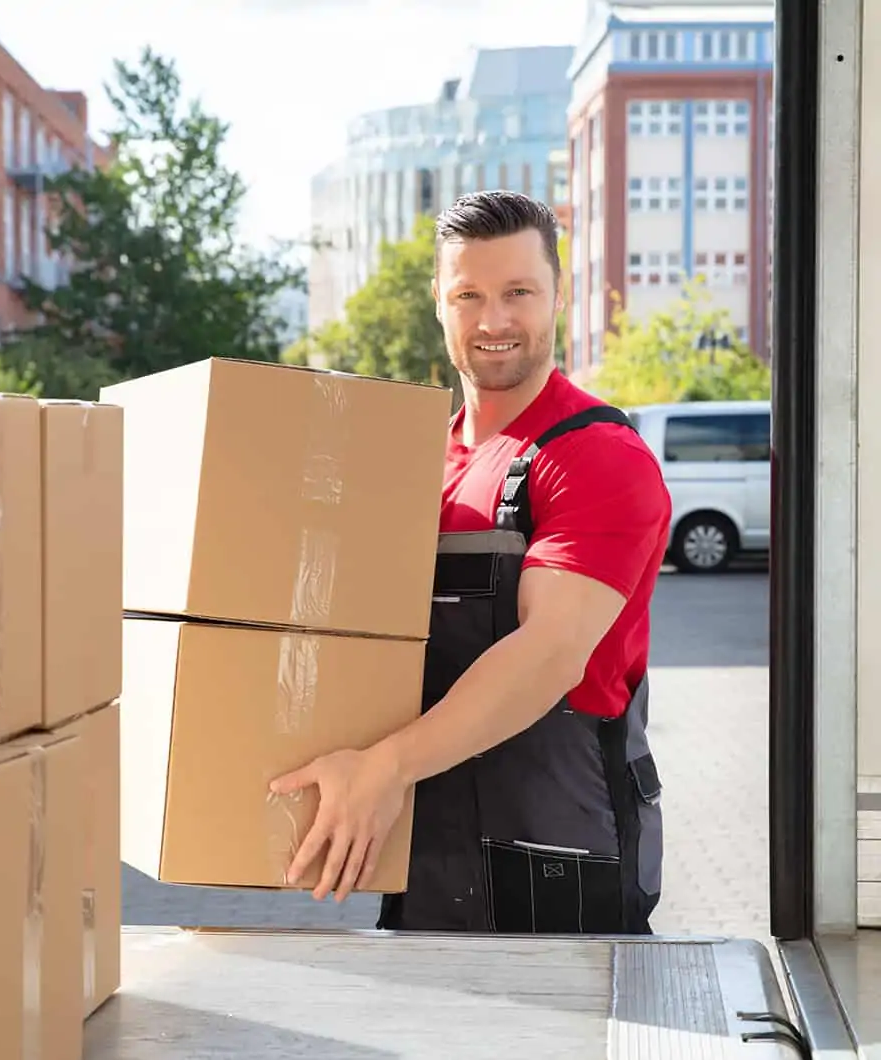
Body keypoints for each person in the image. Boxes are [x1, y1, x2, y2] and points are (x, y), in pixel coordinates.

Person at [269, 190, 672, 935]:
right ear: (438, 302)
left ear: (559, 294)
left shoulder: (594, 457)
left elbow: (548, 655)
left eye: (518, 292)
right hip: (426, 858)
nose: (493, 321)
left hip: (558, 870)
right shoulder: (418, 462)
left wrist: (384, 768)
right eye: (469, 295)